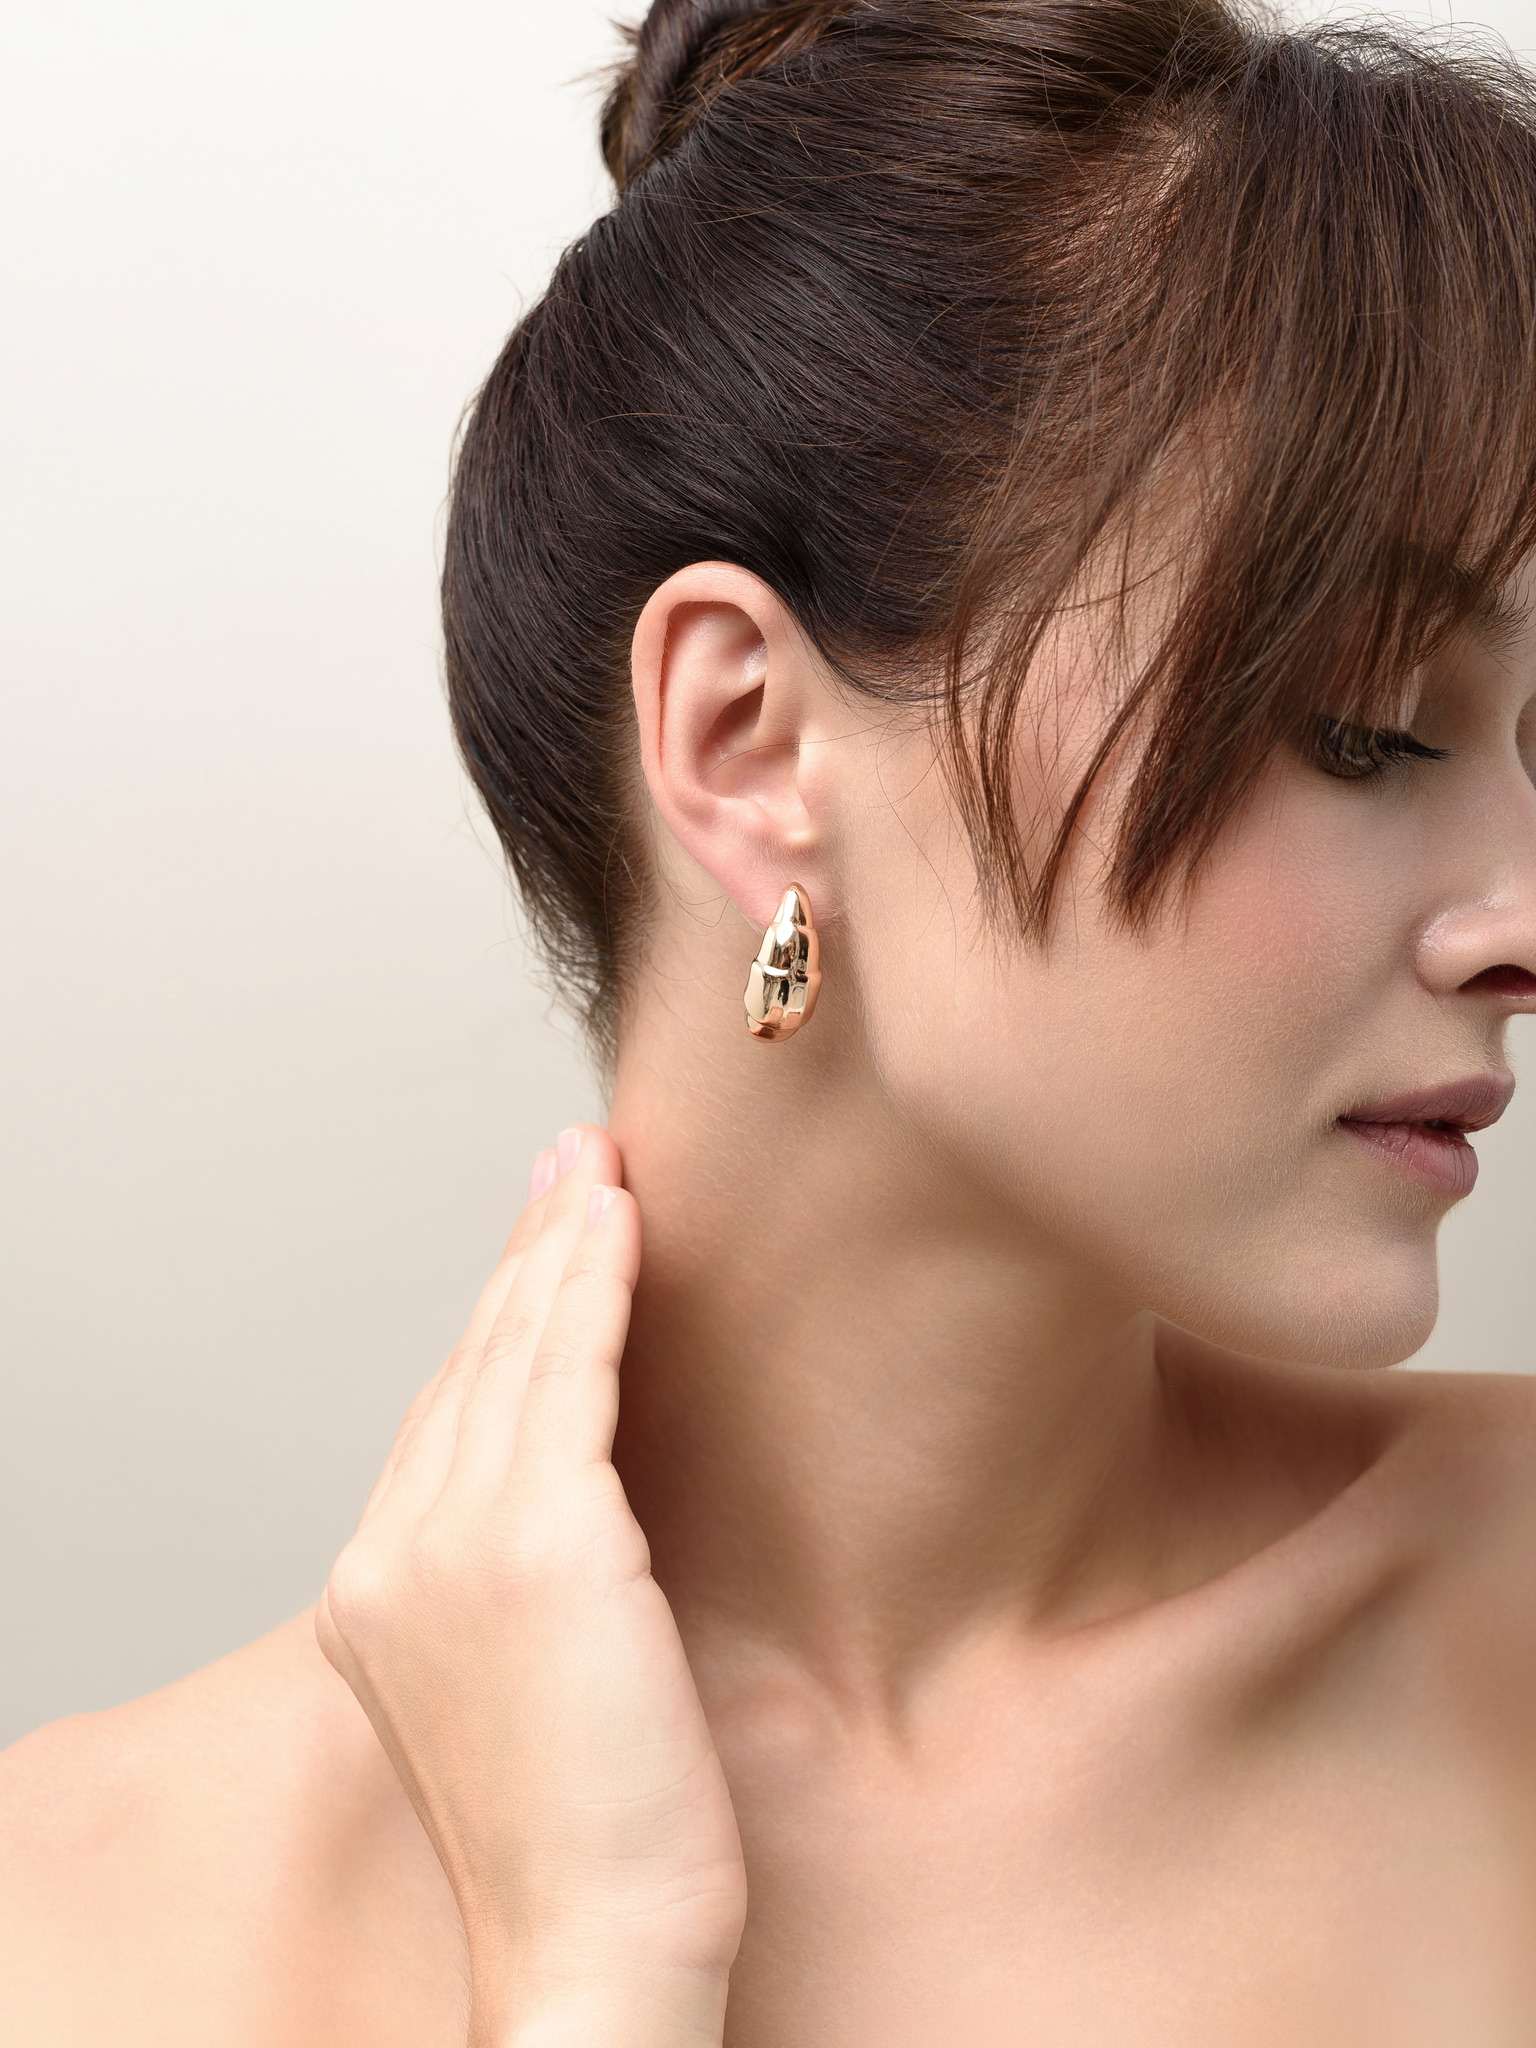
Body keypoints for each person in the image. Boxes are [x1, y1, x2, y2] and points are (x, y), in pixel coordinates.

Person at [6, 0, 1536, 2040]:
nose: (1520, 922)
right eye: (1368, 722)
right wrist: (593, 1975)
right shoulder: (76, 1933)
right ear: (747, 743)